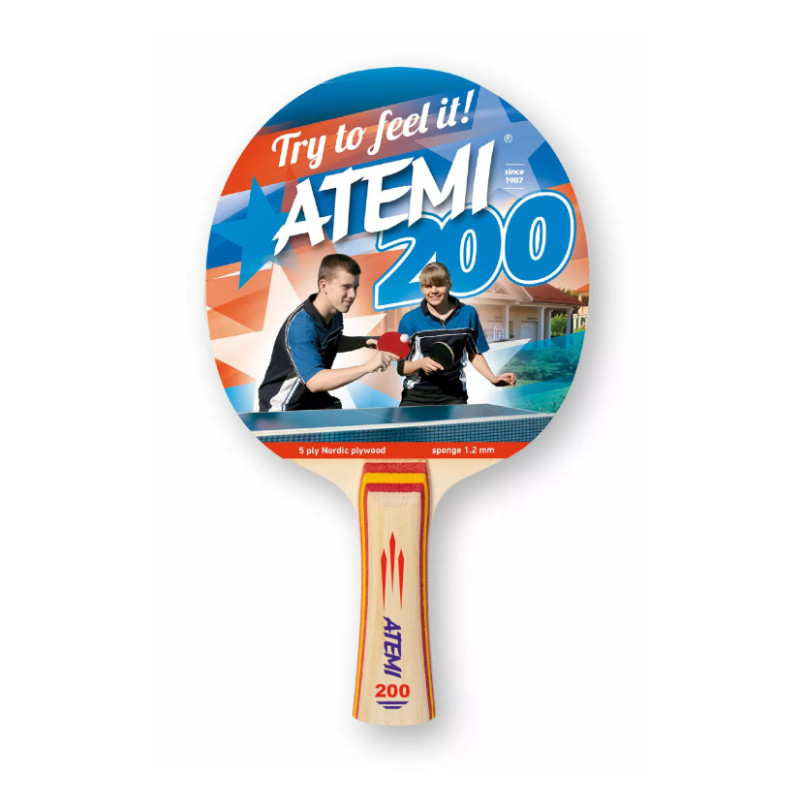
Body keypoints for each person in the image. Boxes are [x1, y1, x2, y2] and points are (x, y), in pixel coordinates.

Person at [258, 254, 391, 411]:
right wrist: (367, 367)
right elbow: (314, 381)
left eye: (355, 288)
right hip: (285, 407)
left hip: (313, 399)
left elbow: (331, 341)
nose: (353, 295)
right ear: (324, 285)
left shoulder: (335, 311)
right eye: (346, 287)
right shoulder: (302, 328)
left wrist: (365, 341)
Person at [396, 262, 516, 406]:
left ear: (449, 285)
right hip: (416, 397)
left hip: (454, 395)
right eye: (428, 286)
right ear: (421, 288)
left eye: (439, 285)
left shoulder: (468, 314)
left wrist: (493, 379)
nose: (433, 290)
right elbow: (401, 368)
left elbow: (474, 353)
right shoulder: (410, 320)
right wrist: (420, 363)